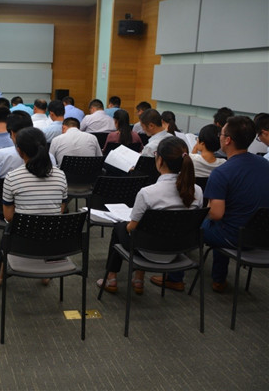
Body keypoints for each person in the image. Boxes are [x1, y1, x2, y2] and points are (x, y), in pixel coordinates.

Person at [158, 116, 269, 292]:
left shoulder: (222, 173)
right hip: (263, 237)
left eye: (221, 134)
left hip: (233, 237)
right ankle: (218, 279)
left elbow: (216, 214)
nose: (219, 137)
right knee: (226, 220)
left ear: (228, 140)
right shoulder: (265, 165)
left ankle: (175, 278)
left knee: (188, 222)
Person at [97, 137, 203, 294]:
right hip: (178, 250)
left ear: (160, 160)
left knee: (120, 227)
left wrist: (127, 223)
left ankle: (111, 278)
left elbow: (131, 228)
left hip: (147, 250)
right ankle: (138, 278)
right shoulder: (197, 191)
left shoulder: (148, 193)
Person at [0, 127, 67, 283]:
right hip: (52, 239)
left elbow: (9, 216)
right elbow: (60, 210)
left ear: (19, 151)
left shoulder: (12, 177)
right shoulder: (60, 175)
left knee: (10, 230)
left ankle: (0, 275)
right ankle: (45, 272)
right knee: (45, 224)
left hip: (20, 241)